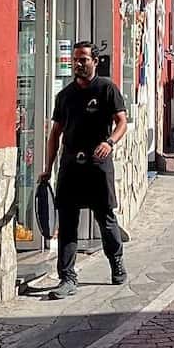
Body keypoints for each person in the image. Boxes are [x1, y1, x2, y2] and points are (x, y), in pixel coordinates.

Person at [40, 42, 128, 299]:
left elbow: (122, 121)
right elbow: (55, 133)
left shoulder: (107, 88)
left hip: (98, 165)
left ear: (95, 62)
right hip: (70, 167)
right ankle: (67, 278)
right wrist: (48, 168)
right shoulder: (65, 95)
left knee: (106, 218)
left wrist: (109, 142)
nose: (78, 64)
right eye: (75, 60)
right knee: (67, 223)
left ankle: (116, 263)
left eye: (83, 60)